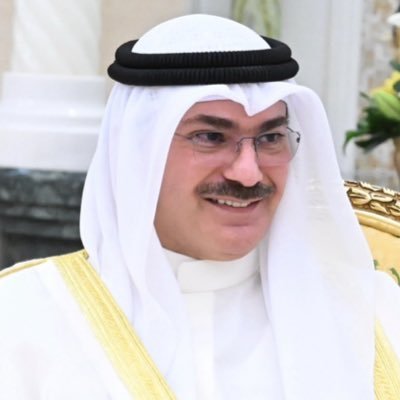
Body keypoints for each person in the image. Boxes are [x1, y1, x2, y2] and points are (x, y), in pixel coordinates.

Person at [0, 14, 399, 400]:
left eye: (270, 138)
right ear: (138, 152)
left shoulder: (377, 312)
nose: (248, 173)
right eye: (210, 137)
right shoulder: (23, 315)